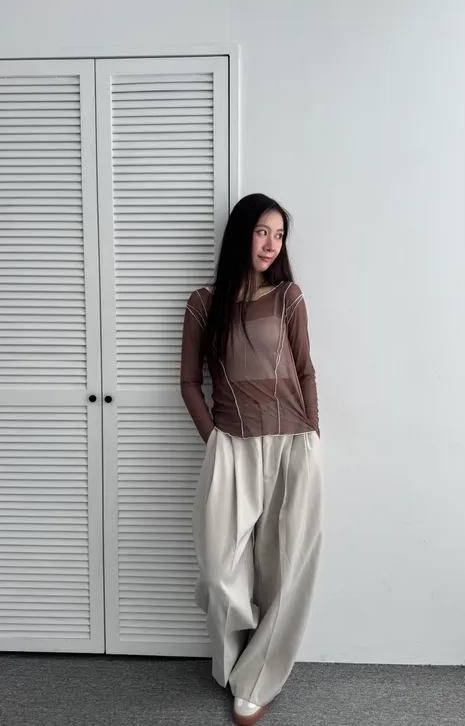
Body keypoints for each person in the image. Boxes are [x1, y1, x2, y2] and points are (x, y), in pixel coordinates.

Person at [180, 193, 322, 725]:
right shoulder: (203, 302)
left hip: (291, 441)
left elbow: (305, 370)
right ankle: (237, 660)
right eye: (263, 231)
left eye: (279, 235)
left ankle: (257, 680)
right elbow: (189, 382)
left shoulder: (287, 297)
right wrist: (213, 440)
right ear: (241, 233)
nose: (271, 244)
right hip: (231, 445)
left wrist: (312, 434)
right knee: (221, 570)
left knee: (285, 567)